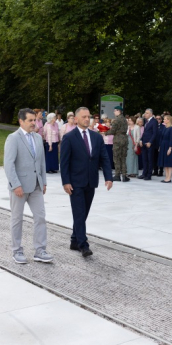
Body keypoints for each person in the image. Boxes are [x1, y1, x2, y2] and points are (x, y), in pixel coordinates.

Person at [60, 107, 113, 257]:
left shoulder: (96, 137)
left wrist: (108, 177)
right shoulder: (69, 137)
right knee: (79, 212)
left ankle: (74, 240)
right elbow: (64, 163)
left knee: (83, 213)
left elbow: (104, 158)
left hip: (91, 181)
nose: (86, 119)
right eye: (83, 116)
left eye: (88, 116)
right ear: (76, 119)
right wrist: (66, 182)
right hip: (75, 182)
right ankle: (83, 245)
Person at [4, 108, 52, 264]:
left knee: (40, 217)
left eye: (35, 120)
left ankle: (40, 250)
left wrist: (43, 182)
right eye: (30, 120)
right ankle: (17, 250)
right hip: (19, 188)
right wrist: (15, 184)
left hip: (36, 186)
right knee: (17, 219)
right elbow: (8, 164)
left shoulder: (38, 138)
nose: (34, 123)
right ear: (21, 121)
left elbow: (42, 162)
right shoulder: (13, 138)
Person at [106, 106, 129, 182]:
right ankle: (124, 176)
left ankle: (117, 175)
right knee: (123, 158)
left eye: (115, 111)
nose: (114, 112)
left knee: (116, 158)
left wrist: (104, 132)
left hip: (118, 139)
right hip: (124, 139)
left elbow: (112, 131)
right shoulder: (125, 120)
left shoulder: (116, 120)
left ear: (118, 111)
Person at [139, 109, 157, 180]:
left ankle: (149, 175)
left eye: (146, 113)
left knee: (150, 159)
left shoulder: (154, 121)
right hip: (144, 143)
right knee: (144, 159)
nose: (145, 114)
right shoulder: (146, 121)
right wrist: (141, 140)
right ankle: (144, 173)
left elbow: (154, 133)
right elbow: (145, 132)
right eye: (145, 113)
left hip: (149, 143)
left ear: (151, 114)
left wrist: (150, 142)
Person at [157, 115, 172, 183]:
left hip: (168, 145)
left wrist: (170, 148)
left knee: (169, 162)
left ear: (168, 120)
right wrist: (160, 146)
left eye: (165, 119)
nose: (164, 120)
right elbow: (161, 137)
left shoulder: (171, 128)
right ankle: (166, 177)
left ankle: (169, 178)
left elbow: (171, 139)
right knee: (165, 162)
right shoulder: (165, 127)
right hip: (163, 145)